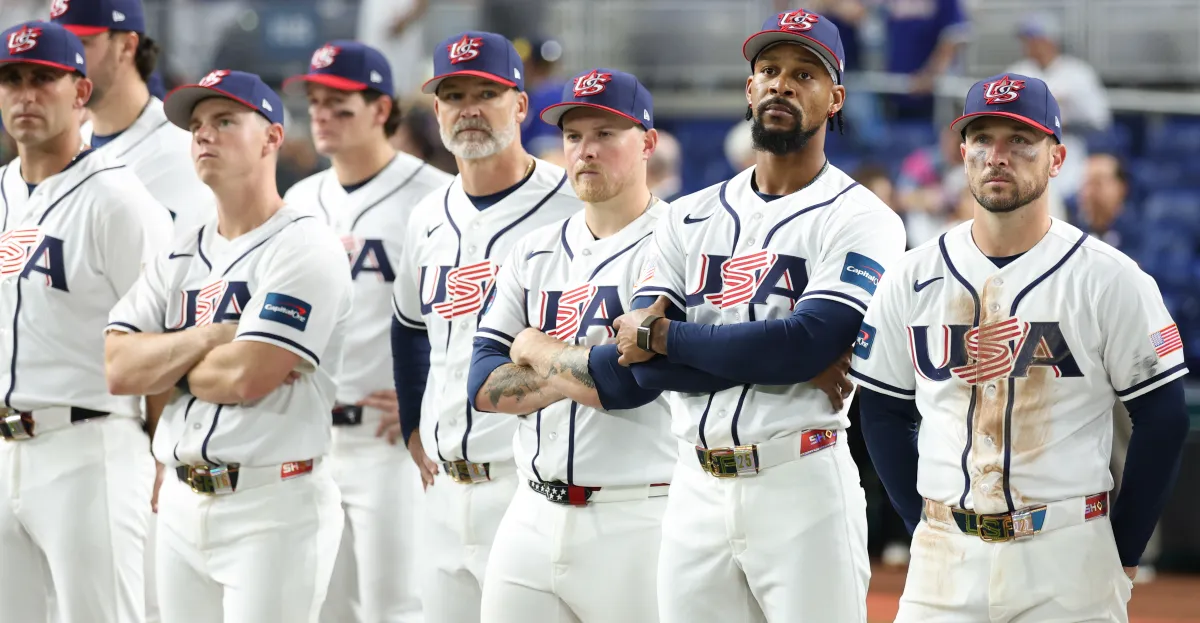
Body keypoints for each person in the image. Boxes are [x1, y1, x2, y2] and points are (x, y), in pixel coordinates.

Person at [851, 73, 1190, 622]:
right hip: (943, 560)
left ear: (1056, 159)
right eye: (982, 138)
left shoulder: (1109, 278)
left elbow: (1164, 417)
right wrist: (923, 523)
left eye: (1020, 141)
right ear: (962, 153)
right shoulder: (910, 276)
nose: (997, 155)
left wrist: (1123, 549)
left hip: (1067, 553)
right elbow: (883, 410)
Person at [611, 8, 906, 622]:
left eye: (804, 74)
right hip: (693, 483)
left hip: (799, 479)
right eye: (769, 70)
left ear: (835, 99)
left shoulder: (862, 217)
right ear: (749, 90)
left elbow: (804, 342)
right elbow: (637, 368)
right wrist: (782, 359)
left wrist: (665, 334)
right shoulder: (685, 217)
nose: (782, 84)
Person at [104, 69, 352, 623]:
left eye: (224, 121)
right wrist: (208, 337)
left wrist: (165, 361)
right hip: (180, 501)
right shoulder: (180, 250)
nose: (203, 136)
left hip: (273, 504)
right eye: (196, 126)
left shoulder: (305, 245)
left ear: (271, 137)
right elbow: (118, 368)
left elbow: (248, 377)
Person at [467, 68, 674, 622]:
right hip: (529, 512)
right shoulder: (531, 251)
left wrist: (534, 347)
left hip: (639, 515)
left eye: (606, 134)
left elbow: (628, 383)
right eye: (574, 135)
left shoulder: (679, 242)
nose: (586, 150)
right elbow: (484, 387)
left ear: (648, 142)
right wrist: (584, 366)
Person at [390, 31, 580, 623]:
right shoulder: (426, 215)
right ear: (437, 110)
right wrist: (411, 427)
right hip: (443, 489)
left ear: (520, 105)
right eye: (453, 95)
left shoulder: (573, 204)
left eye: (486, 93)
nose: (468, 109)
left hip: (530, 482)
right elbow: (408, 328)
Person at [0, 20, 172, 623]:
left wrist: (161, 455)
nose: (24, 95)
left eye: (42, 80)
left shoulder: (119, 201)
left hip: (89, 446)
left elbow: (161, 346)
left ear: (79, 93)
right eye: (12, 80)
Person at [282, 40, 452, 623]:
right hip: (307, 437)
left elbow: (458, 316)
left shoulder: (434, 197)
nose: (322, 117)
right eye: (314, 104)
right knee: (318, 605)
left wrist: (423, 403)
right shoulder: (299, 200)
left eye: (340, 105)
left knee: (396, 606)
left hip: (388, 444)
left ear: (381, 109)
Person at [51, 0, 215, 233]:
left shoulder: (182, 153)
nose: (64, 61)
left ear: (127, 46)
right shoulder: (72, 143)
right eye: (59, 47)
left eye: (81, 44)